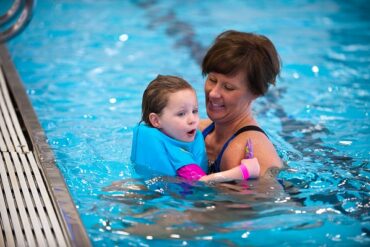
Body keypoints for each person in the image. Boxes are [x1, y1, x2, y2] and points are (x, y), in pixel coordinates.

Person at [131, 75, 260, 182]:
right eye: (181, 114)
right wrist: (243, 171)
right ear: (156, 120)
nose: (192, 119)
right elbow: (201, 182)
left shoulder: (154, 138)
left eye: (194, 111)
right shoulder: (178, 155)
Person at [199, 30, 283, 176]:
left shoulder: (253, 153)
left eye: (228, 87)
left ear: (256, 93)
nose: (213, 93)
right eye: (212, 79)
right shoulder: (197, 130)